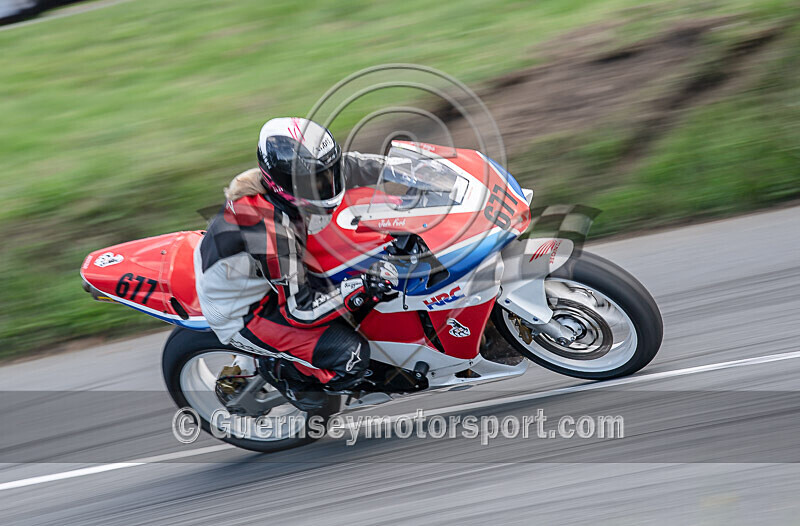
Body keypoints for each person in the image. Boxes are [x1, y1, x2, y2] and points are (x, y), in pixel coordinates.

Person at [194, 117, 397, 410]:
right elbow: (298, 310)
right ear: (284, 181)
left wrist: (419, 170)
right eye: (315, 180)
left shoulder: (292, 182)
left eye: (327, 173)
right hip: (246, 310)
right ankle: (280, 371)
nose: (327, 183)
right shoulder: (272, 230)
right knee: (350, 356)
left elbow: (357, 167)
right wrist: (360, 287)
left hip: (269, 273)